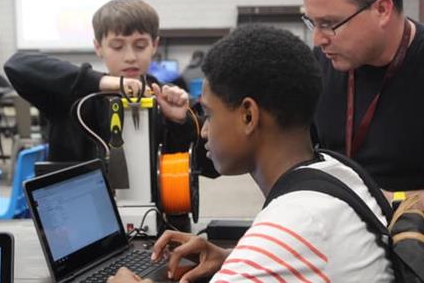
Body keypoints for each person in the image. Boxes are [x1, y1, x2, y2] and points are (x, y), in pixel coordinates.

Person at [107, 24, 394, 283]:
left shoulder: (291, 228)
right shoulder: (337, 169)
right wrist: (232, 257)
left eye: (208, 114)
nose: (204, 131)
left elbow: (285, 247)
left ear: (248, 116)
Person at [302, 0, 424, 251]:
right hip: (343, 248)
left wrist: (389, 201)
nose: (319, 39)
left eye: (330, 23)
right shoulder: (324, 63)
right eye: (312, 22)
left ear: (382, 10)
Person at [5, 0, 197, 165]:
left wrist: (181, 123)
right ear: (98, 47)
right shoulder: (76, 97)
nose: (130, 57)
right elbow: (16, 65)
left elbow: (211, 167)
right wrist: (103, 82)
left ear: (154, 45)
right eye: (117, 46)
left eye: (140, 46)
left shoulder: (171, 99)